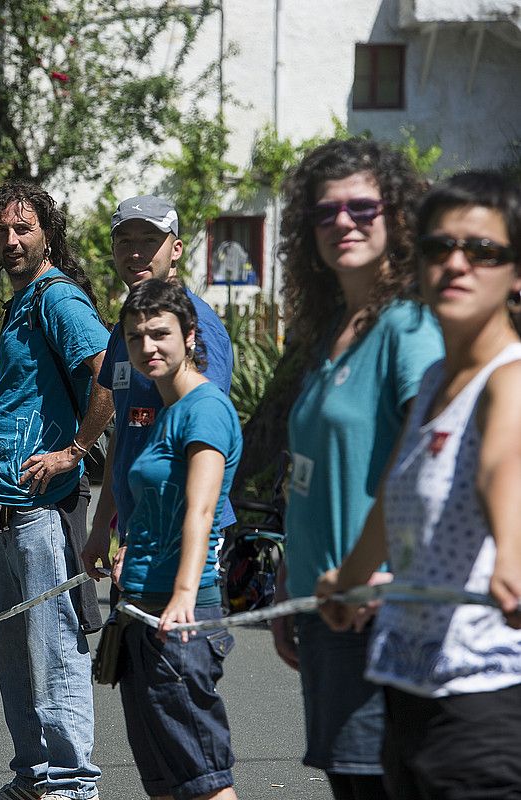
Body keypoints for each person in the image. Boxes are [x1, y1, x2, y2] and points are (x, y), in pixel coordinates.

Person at [317, 171, 521, 799]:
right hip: (410, 696)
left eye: (483, 250)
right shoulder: (433, 379)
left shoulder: (508, 380)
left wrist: (512, 554)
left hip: (482, 709)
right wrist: (348, 579)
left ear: (515, 274)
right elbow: (394, 502)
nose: (456, 263)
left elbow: (503, 466)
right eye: (439, 248)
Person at [271, 138, 443, 799]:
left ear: (396, 217)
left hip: (379, 609)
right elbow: (313, 467)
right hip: (324, 603)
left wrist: (392, 573)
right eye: (324, 212)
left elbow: (434, 459)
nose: (341, 222)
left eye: (361, 207)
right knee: (349, 781)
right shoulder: (333, 332)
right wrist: (287, 574)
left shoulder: (408, 327)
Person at [0, 182, 111, 800]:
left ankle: (73, 783)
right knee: (17, 655)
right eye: (1, 232)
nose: (12, 241)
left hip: (40, 510)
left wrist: (75, 451)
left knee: (53, 646)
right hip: (4, 508)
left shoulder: (58, 299)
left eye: (23, 228)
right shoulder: (23, 301)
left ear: (47, 232)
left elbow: (112, 372)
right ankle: (34, 777)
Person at [98, 279, 242, 800]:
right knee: (163, 777)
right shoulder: (164, 411)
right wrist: (122, 548)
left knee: (203, 778)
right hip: (139, 603)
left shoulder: (204, 409)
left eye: (160, 334)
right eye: (136, 337)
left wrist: (182, 597)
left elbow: (201, 511)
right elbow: (158, 505)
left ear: (189, 333)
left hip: (176, 614)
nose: (147, 347)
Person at [81, 195, 234, 596]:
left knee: (173, 655)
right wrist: (103, 526)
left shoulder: (194, 325)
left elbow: (202, 443)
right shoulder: (127, 329)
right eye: (124, 241)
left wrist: (147, 541)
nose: (135, 252)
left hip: (180, 535)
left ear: (176, 248)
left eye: (149, 240)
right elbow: (127, 432)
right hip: (134, 534)